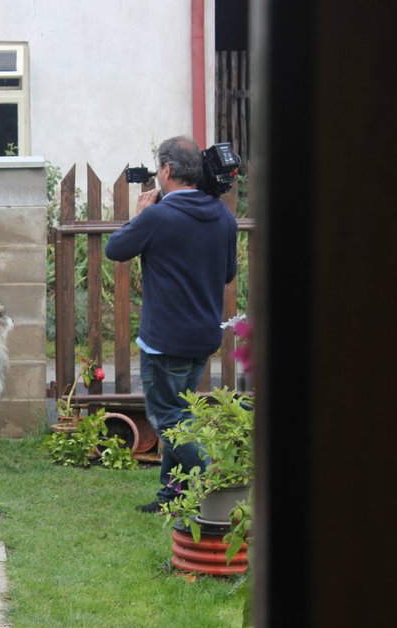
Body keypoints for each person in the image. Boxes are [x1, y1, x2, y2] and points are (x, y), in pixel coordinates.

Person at [105, 136, 237, 512]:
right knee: (181, 414)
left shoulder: (158, 216)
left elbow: (116, 249)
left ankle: (214, 480)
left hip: (165, 340)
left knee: (167, 418)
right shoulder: (222, 215)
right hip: (203, 337)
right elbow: (228, 273)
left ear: (166, 170)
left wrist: (140, 216)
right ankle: (174, 493)